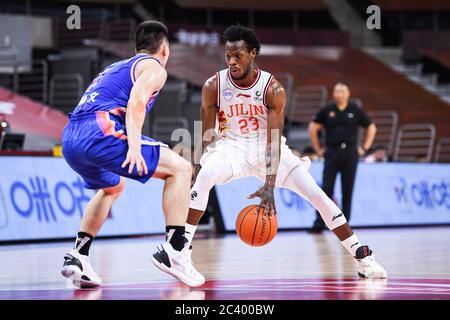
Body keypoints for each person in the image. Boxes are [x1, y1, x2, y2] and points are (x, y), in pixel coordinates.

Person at [184, 25, 386, 279]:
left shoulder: (272, 89)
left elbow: (272, 141)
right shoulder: (214, 85)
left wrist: (269, 186)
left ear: (253, 54)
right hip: (232, 147)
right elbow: (207, 133)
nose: (232, 62)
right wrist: (205, 157)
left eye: (238, 56)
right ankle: (181, 249)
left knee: (318, 196)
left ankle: (361, 256)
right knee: (204, 177)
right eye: (228, 56)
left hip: (268, 149)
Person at [60, 21, 204, 288]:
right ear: (164, 48)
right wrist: (134, 146)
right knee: (181, 169)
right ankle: (175, 248)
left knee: (112, 186)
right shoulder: (155, 68)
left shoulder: (114, 68)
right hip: (100, 131)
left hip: (71, 136)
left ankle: (78, 255)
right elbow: (136, 102)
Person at [309, 83, 377, 232]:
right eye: (337, 91)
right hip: (332, 152)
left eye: (343, 91)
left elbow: (371, 127)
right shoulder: (327, 110)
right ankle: (319, 223)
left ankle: (345, 224)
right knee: (326, 188)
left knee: (348, 188)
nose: (340, 94)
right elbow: (313, 127)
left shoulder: (354, 110)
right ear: (334, 94)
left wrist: (364, 147)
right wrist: (318, 149)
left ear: (348, 93)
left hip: (351, 153)